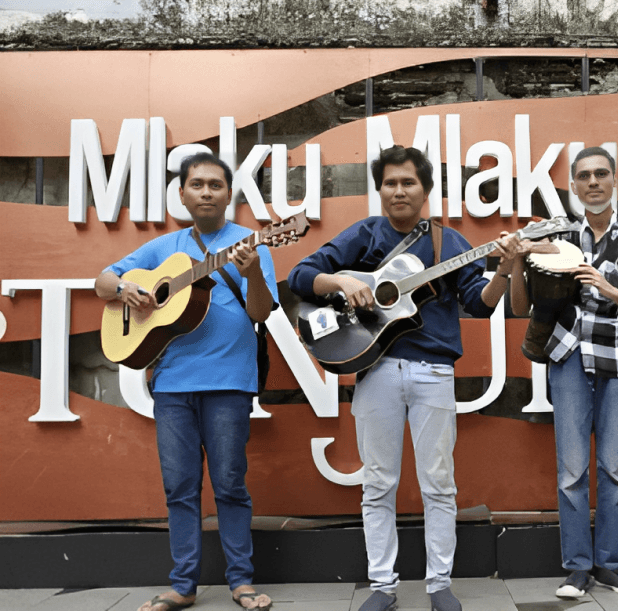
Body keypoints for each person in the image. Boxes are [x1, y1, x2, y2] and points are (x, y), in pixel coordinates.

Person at [287, 145, 519, 611]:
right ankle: (382, 587)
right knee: (378, 483)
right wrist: (344, 283)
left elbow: (479, 302)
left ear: (426, 189)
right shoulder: (365, 234)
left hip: (434, 372)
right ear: (379, 189)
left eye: (408, 182)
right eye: (390, 182)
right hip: (375, 370)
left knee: (438, 483)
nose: (398, 190)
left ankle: (439, 585)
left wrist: (508, 265)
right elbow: (301, 275)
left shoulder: (449, 244)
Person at [94, 152, 277, 611]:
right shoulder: (165, 248)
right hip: (172, 383)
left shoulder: (252, 244)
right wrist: (123, 290)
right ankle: (183, 586)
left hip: (229, 381)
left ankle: (242, 582)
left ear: (228, 194)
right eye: (197, 184)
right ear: (182, 194)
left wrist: (251, 270)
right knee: (179, 486)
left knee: (230, 483)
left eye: (216, 185)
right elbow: (102, 279)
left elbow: (260, 312)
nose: (207, 192)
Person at [509, 147, 618, 599]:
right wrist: (519, 258)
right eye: (584, 176)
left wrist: (606, 288)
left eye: (601, 174)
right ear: (574, 187)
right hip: (569, 359)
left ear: (614, 180)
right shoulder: (557, 239)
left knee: (614, 470)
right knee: (572, 470)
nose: (593, 181)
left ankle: (609, 566)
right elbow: (521, 309)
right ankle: (577, 569)